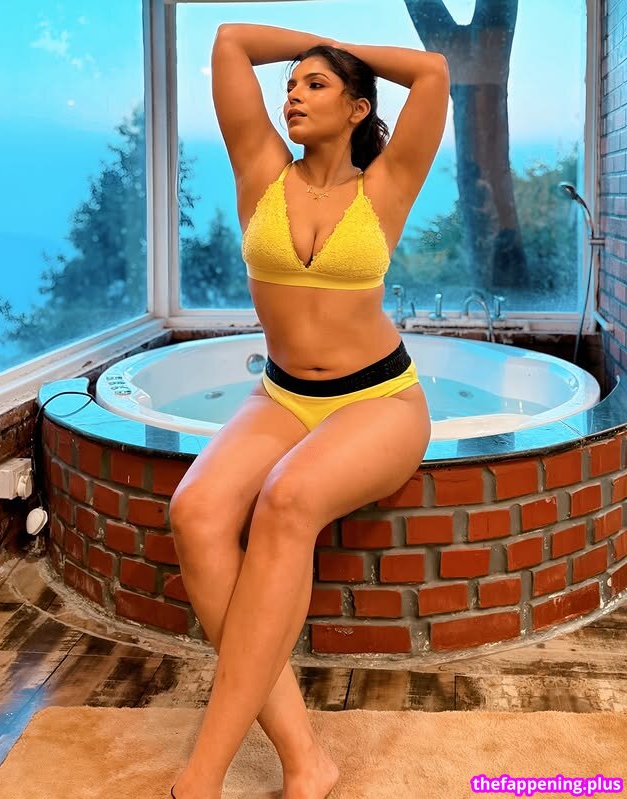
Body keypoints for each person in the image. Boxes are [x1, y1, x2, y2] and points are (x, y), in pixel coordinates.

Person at [168, 21, 449, 799]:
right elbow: (230, 42)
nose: (292, 93)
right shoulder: (260, 167)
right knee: (195, 511)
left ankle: (200, 778)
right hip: (285, 394)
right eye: (289, 83)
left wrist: (341, 52)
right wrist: (317, 51)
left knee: (286, 499)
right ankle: (305, 758)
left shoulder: (387, 184)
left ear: (358, 108)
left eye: (314, 84)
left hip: (380, 399)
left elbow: (431, 72)